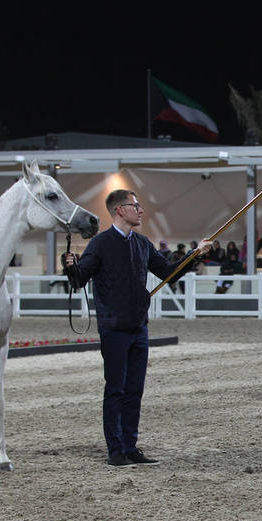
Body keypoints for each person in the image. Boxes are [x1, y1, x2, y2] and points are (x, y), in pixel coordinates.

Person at [62, 189, 209, 467]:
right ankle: (115, 450)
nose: (140, 210)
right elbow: (79, 280)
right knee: (115, 389)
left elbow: (168, 272)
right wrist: (70, 266)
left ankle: (130, 446)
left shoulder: (142, 244)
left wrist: (195, 255)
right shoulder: (100, 244)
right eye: (135, 205)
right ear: (120, 210)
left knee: (134, 391)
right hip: (114, 327)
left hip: (139, 327)